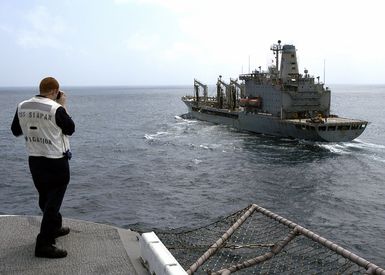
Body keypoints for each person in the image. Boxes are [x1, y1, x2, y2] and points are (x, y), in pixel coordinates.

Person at [11, 77, 75, 258]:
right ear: (55, 91)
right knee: (52, 203)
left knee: (45, 197)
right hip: (56, 161)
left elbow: (16, 130)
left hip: (35, 160)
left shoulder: (22, 106)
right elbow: (70, 128)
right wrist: (62, 105)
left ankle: (54, 227)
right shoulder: (56, 109)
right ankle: (44, 244)